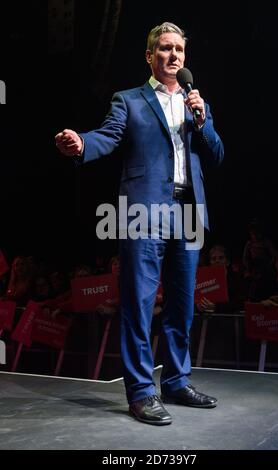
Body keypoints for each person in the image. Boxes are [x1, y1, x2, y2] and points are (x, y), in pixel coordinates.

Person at [55, 22, 224, 425]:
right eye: (165, 49)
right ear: (150, 56)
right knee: (139, 304)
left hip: (188, 211)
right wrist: (82, 143)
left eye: (179, 50)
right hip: (143, 212)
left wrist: (202, 121)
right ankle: (141, 392)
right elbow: (108, 136)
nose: (174, 56)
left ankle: (178, 381)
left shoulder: (196, 103)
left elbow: (216, 154)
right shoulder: (128, 100)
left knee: (182, 306)